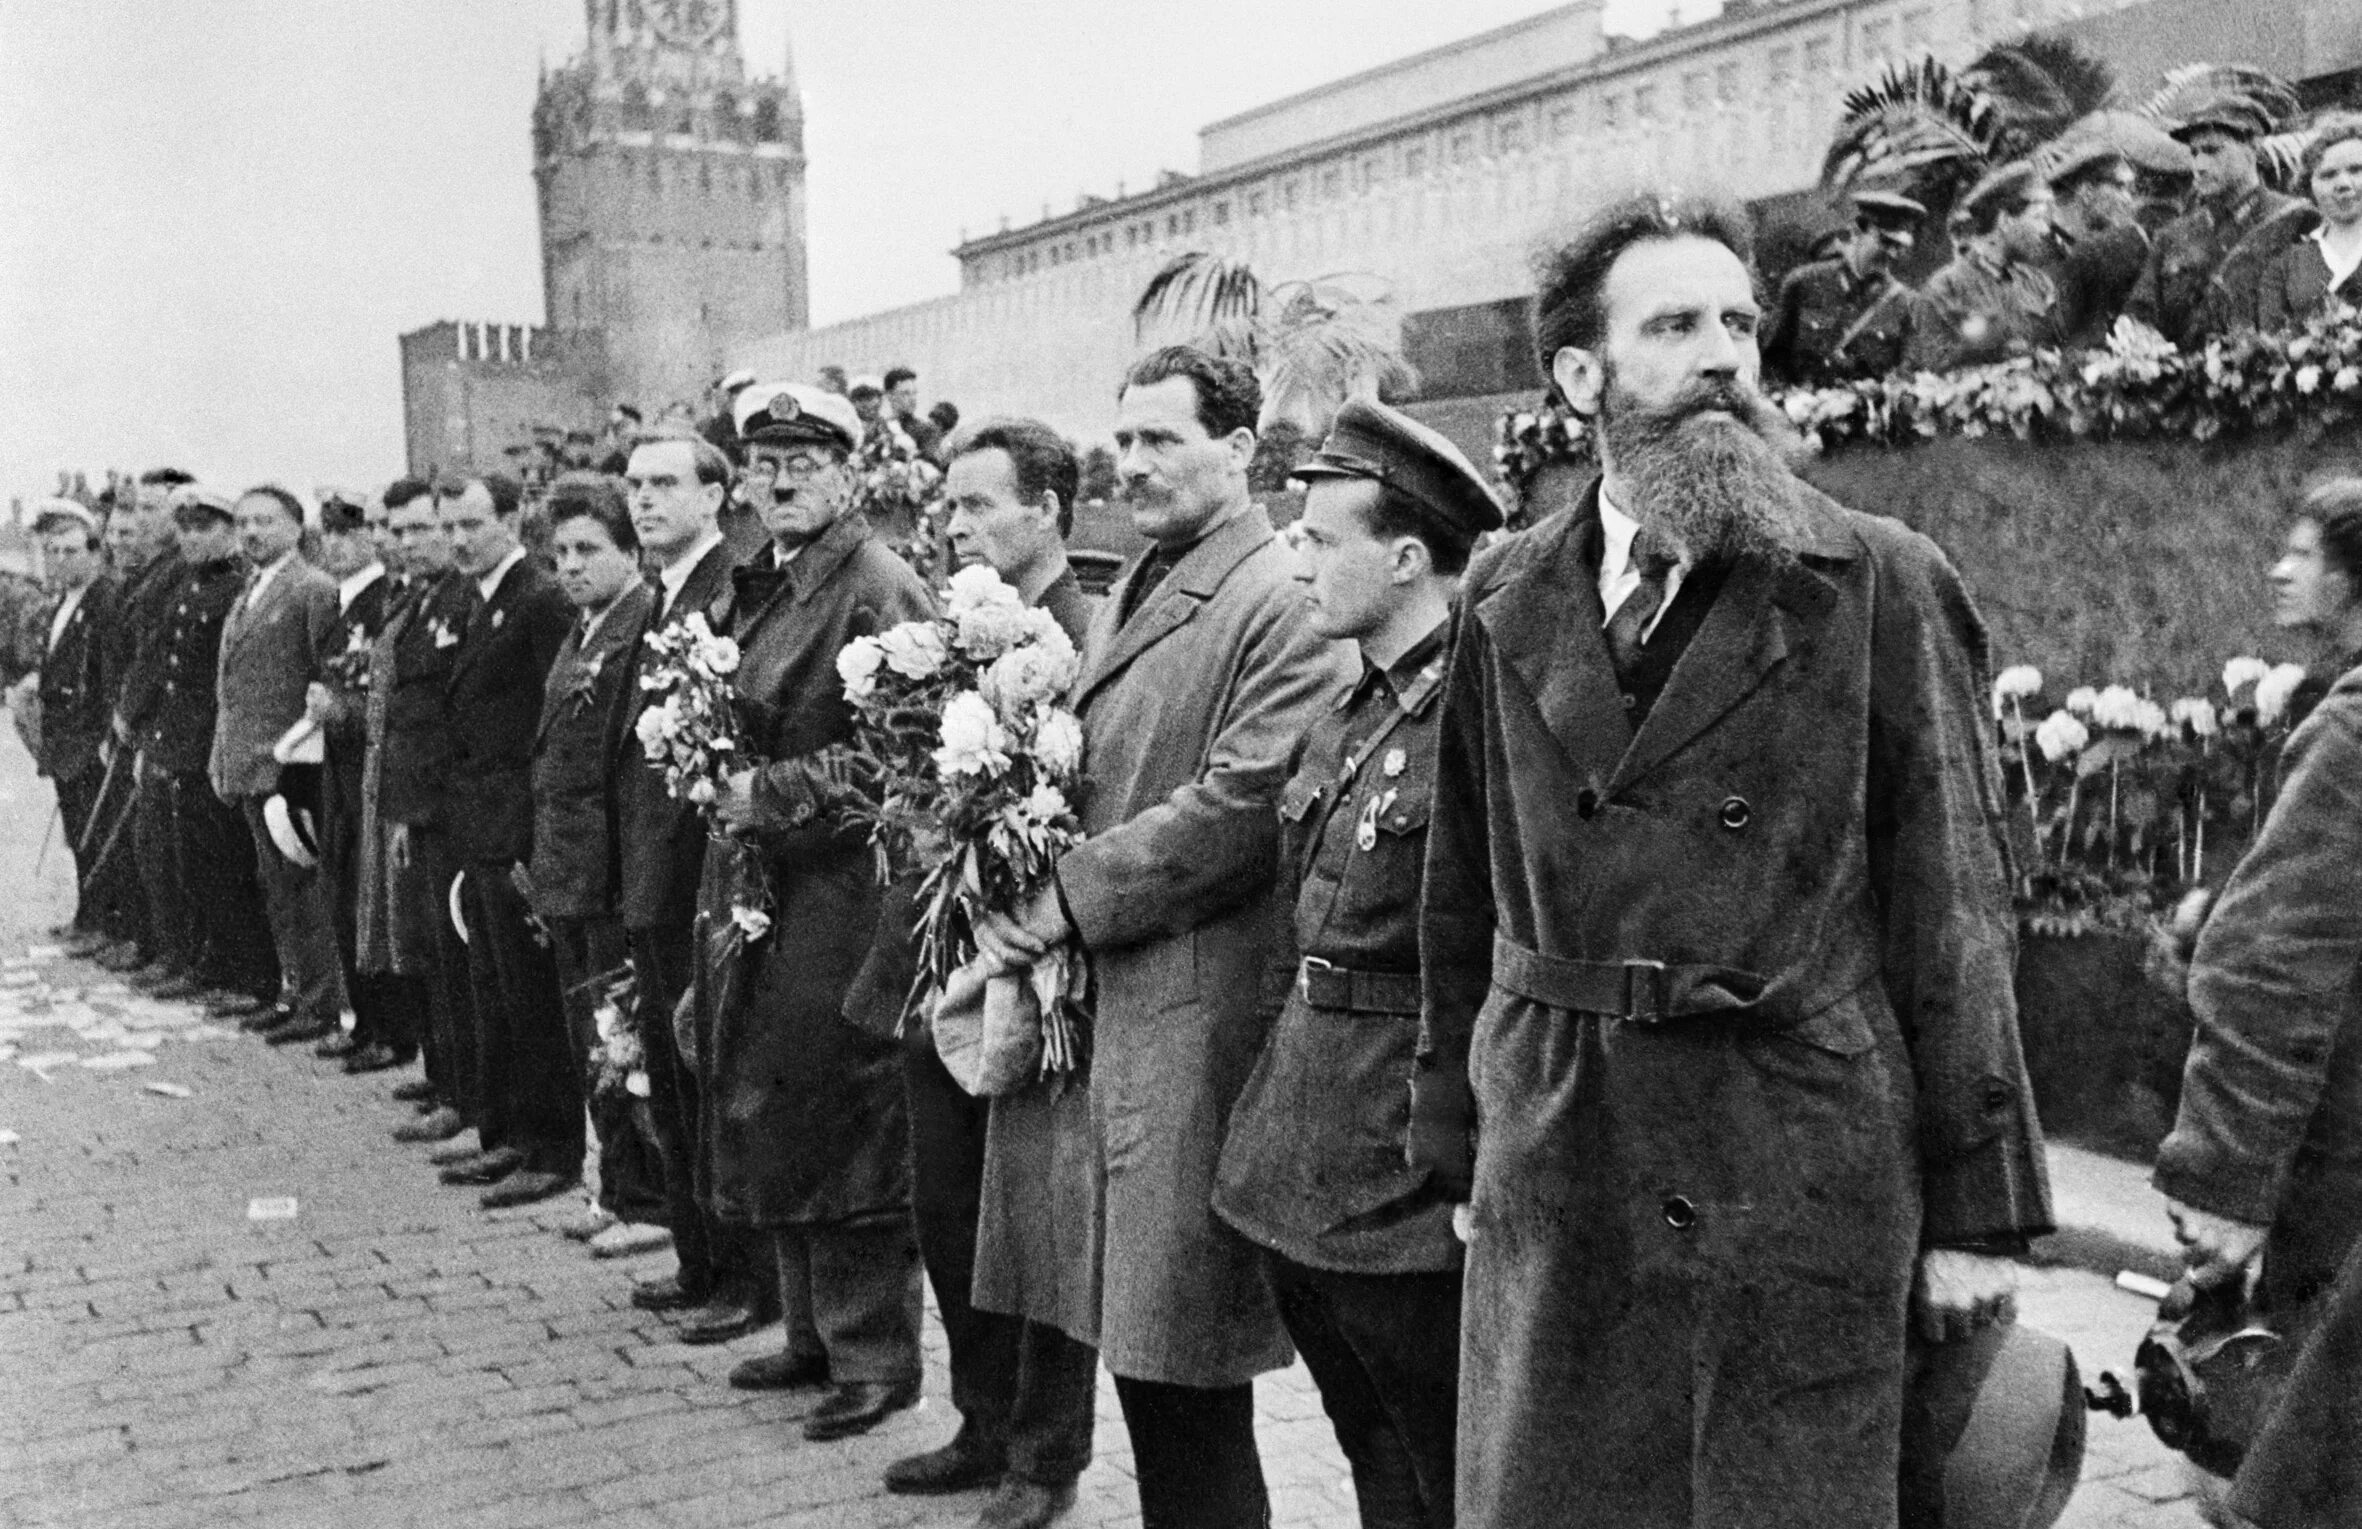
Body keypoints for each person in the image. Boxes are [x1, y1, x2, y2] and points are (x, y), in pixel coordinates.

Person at [1415, 194, 2049, 1528]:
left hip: (1796, 1156)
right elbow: (1456, 890)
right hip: (1561, 1144)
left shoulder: (1876, 579)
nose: (1722, 355)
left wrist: (1974, 1212)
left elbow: (1955, 903)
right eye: (1673, 324)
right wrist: (1454, 1140)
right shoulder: (1500, 598)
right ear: (1583, 375)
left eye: (1739, 324)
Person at [975, 346, 1353, 1529]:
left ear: (1240, 451)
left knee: (1184, 1368)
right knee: (1147, 1361)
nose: (1127, 462)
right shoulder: (1151, 570)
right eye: (1121, 439)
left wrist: (1061, 896)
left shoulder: (1277, 595)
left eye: (1159, 439)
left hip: (1190, 1016)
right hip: (1124, 1011)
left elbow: (1239, 807)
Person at [1213, 401, 1502, 1529]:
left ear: (1405, 557)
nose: (1296, 560)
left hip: (1404, 1162)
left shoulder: (1470, 716)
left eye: (1320, 539)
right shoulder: (1350, 705)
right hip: (1307, 1143)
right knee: (1370, 1440)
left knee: (1441, 1459)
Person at [696, 382, 933, 1440]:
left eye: (805, 460)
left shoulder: (875, 583)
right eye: (765, 461)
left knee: (844, 1104)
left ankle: (875, 1354)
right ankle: (810, 1332)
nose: (782, 478)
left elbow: (912, 748)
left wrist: (773, 792)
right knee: (771, 1091)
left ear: (848, 472)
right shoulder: (773, 583)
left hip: (849, 883)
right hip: (773, 882)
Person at [884, 418, 1101, 1529]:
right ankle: (980, 1415)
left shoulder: (1081, 635)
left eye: (978, 504)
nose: (956, 524)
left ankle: (1045, 1447)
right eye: (949, 506)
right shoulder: (956, 639)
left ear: (1047, 508)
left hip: (1035, 969)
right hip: (945, 967)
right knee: (949, 1205)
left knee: (1036, 1219)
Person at [2157, 478, 2362, 1355]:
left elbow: (2269, 959)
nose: (2278, 572)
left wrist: (2224, 1181)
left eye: (2304, 555)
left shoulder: (2353, 732)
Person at [612, 433, 773, 1341]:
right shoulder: (666, 594)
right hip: (653, 874)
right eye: (635, 485)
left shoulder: (727, 590)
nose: (644, 500)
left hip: (700, 875)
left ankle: (744, 1278)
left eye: (666, 484)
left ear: (715, 495)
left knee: (712, 1078)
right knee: (673, 1083)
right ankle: (700, 1258)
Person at [525, 475, 668, 1254]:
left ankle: (647, 1200)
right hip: (568, 870)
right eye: (561, 553)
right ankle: (614, 1185)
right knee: (595, 1034)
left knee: (625, 1035)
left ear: (629, 552)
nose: (572, 565)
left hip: (607, 871)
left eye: (589, 549)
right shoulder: (584, 629)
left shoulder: (639, 624)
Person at [431, 474, 580, 1210]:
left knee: (532, 994)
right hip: (481, 825)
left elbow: (552, 721)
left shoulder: (539, 599)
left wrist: (533, 839)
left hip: (518, 826)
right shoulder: (478, 598)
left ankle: (553, 1147)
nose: (458, 539)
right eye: (448, 525)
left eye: (472, 523)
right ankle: (516, 1133)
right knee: (496, 989)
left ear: (514, 518)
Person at [131, 489, 280, 1019]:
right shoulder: (188, 586)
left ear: (228, 531)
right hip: (179, 742)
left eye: (205, 527)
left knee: (230, 863)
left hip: (213, 745)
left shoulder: (236, 587)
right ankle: (211, 964)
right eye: (186, 528)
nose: (192, 537)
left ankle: (251, 975)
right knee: (193, 862)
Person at [209, 484, 345, 1048]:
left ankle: (321, 1001)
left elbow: (326, 676)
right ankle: (295, 991)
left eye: (265, 521)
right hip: (246, 764)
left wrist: (299, 757)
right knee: (276, 886)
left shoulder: (312, 589)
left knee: (302, 886)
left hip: (288, 766)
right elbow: (232, 689)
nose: (251, 533)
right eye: (243, 523)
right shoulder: (251, 591)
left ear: (295, 526)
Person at [373, 482, 479, 1144]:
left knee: (455, 957)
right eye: (402, 531)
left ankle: (465, 1090)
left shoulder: (464, 600)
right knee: (433, 950)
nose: (412, 542)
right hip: (418, 801)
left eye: (423, 529)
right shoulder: (421, 599)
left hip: (449, 803)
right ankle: (446, 1074)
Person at [301, 494, 418, 1074]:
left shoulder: (383, 600)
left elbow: (378, 692)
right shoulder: (342, 601)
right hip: (341, 770)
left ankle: (389, 1029)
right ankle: (364, 1020)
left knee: (370, 898)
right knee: (344, 893)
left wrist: (339, 707)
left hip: (369, 769)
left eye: (349, 533)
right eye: (328, 535)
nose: (337, 545)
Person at [104, 468, 195, 982]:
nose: (142, 519)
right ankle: (159, 948)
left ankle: (175, 955)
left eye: (151, 510)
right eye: (138, 510)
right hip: (144, 727)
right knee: (149, 845)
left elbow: (159, 655)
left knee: (168, 850)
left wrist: (129, 713)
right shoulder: (153, 572)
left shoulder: (179, 572)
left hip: (164, 727)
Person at [2127, 92, 2307, 347]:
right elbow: (2139, 317)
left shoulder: (2296, 220)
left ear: (2253, 146)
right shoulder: (2173, 237)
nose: (2199, 165)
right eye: (2194, 152)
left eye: (2213, 150)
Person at [28, 501, 127, 956]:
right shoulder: (63, 602)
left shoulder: (105, 598)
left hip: (89, 738)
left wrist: (108, 735)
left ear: (93, 551)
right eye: (53, 551)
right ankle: (89, 915)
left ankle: (107, 922)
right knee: (78, 831)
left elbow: (110, 675)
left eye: (70, 550)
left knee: (97, 830)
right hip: (64, 737)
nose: (60, 560)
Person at [1909, 163, 2064, 372]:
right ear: (2005, 220)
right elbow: (1939, 373)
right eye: (2037, 217)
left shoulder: (2037, 281)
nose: (2045, 229)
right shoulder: (1942, 291)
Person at [1762, 187, 1925, 385]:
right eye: (1885, 241)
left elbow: (1907, 374)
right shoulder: (1803, 283)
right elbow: (1771, 361)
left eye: (1899, 246)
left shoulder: (1906, 303)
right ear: (1857, 231)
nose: (1892, 253)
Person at [2255, 114, 2362, 332]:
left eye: (2356, 170)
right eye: (2328, 175)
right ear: (2308, 185)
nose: (2343, 183)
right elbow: (2271, 349)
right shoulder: (2285, 266)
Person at [2044, 141, 2152, 349]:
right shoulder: (2040, 257)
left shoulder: (2104, 251)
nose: (2129, 200)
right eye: (2121, 187)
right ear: (2086, 192)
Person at [884, 365, 943, 459]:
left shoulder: (927, 430)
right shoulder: (881, 428)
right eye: (905, 393)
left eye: (914, 393)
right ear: (890, 395)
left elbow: (931, 465)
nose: (913, 399)